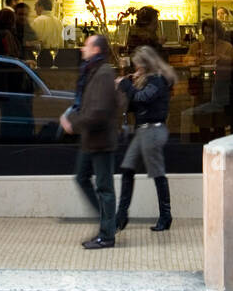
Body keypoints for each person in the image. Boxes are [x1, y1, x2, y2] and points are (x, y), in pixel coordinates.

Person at [60, 35, 124, 249]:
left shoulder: (104, 73)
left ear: (96, 49)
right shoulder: (92, 71)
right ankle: (108, 222)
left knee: (105, 187)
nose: (82, 49)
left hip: (101, 139)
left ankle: (107, 235)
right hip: (92, 139)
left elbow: (99, 111)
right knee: (82, 177)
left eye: (86, 45)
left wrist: (73, 124)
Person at [115, 45, 176, 232]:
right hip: (143, 131)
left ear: (146, 65)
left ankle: (165, 216)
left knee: (157, 173)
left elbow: (142, 98)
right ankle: (121, 216)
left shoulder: (157, 81)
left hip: (153, 131)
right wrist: (128, 87)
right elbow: (135, 103)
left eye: (139, 66)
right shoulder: (147, 80)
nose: (136, 70)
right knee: (127, 169)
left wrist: (126, 86)